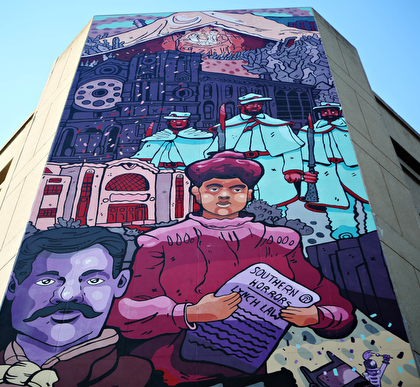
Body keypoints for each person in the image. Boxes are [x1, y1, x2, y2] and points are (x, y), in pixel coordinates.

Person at [107, 152, 356, 385]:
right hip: (172, 373)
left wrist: (317, 316)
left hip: (254, 371)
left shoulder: (280, 241)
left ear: (249, 194)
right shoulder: (160, 241)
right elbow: (124, 313)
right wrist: (189, 313)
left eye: (236, 189)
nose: (225, 196)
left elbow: (339, 308)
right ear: (197, 192)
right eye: (214, 188)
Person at [0, 227, 164, 387]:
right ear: (12, 286)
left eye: (94, 280)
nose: (67, 294)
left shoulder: (144, 374)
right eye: (47, 280)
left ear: (121, 283)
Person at [204, 93, 317, 207]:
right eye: (251, 104)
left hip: (272, 167)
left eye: (259, 104)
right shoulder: (229, 126)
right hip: (239, 167)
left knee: (276, 202)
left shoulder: (277, 125)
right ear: (241, 106)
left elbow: (291, 149)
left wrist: (293, 170)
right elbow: (214, 152)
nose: (255, 107)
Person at [297, 102, 376, 239]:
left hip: (353, 171)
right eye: (325, 111)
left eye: (332, 111)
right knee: (335, 207)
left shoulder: (350, 127)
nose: (329, 114)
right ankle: (344, 236)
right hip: (326, 173)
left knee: (368, 205)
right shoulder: (309, 130)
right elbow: (303, 155)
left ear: (338, 111)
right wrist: (306, 174)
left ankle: (372, 234)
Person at [132, 111, 213, 169]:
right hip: (158, 170)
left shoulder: (200, 138)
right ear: (168, 122)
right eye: (174, 120)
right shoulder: (158, 138)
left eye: (183, 120)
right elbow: (141, 157)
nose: (178, 123)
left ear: (188, 122)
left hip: (187, 171)